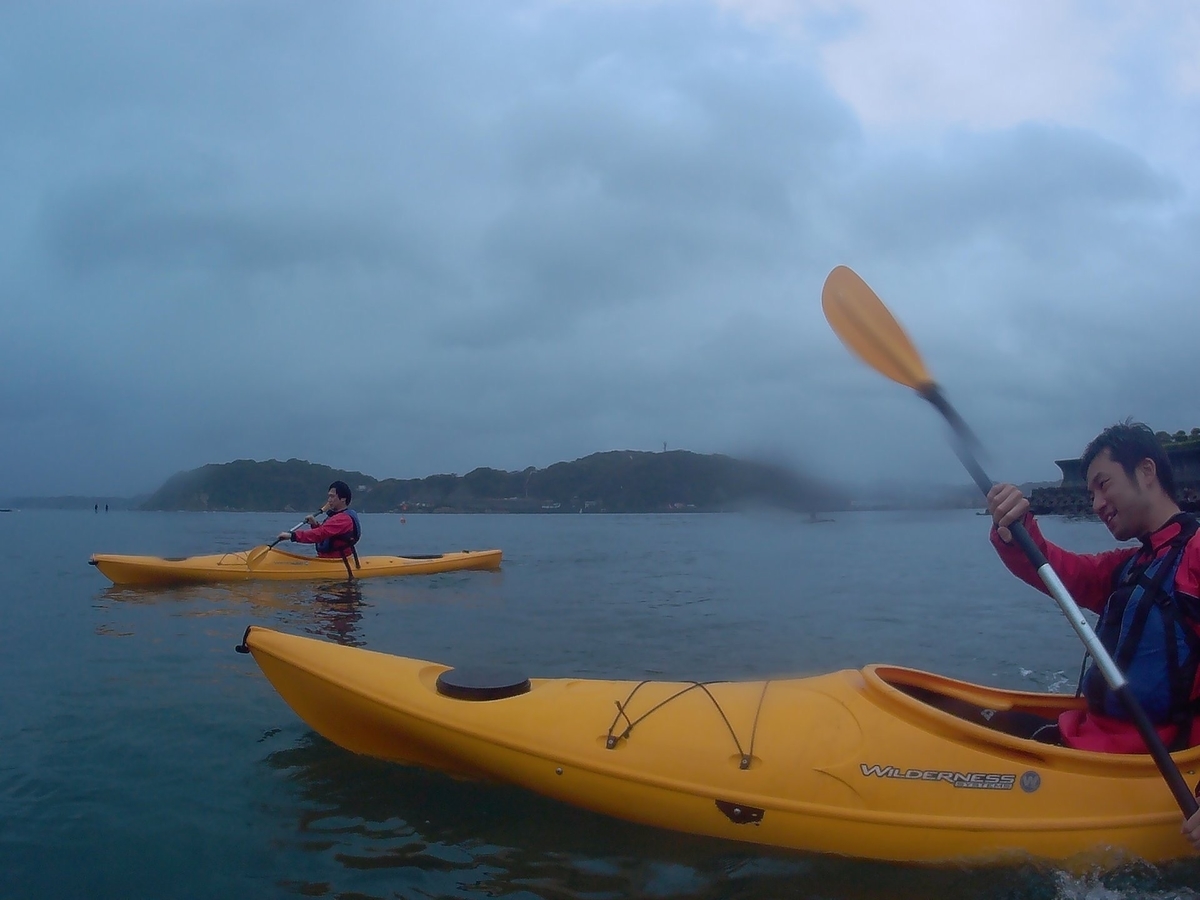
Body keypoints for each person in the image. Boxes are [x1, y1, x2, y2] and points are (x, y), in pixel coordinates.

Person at [987, 422, 1200, 758]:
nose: (1096, 504)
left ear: (1146, 472)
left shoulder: (1195, 555)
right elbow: (1055, 571)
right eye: (1090, 494)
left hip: (1144, 768)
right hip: (1087, 745)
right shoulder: (1130, 566)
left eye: (1104, 485)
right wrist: (1015, 530)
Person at [278, 481, 362, 571]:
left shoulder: (343, 519)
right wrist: (315, 524)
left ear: (343, 499)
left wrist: (293, 536)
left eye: (332, 496)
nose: (329, 500)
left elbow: (320, 534)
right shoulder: (336, 516)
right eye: (329, 496)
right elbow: (326, 534)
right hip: (326, 560)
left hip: (337, 561)